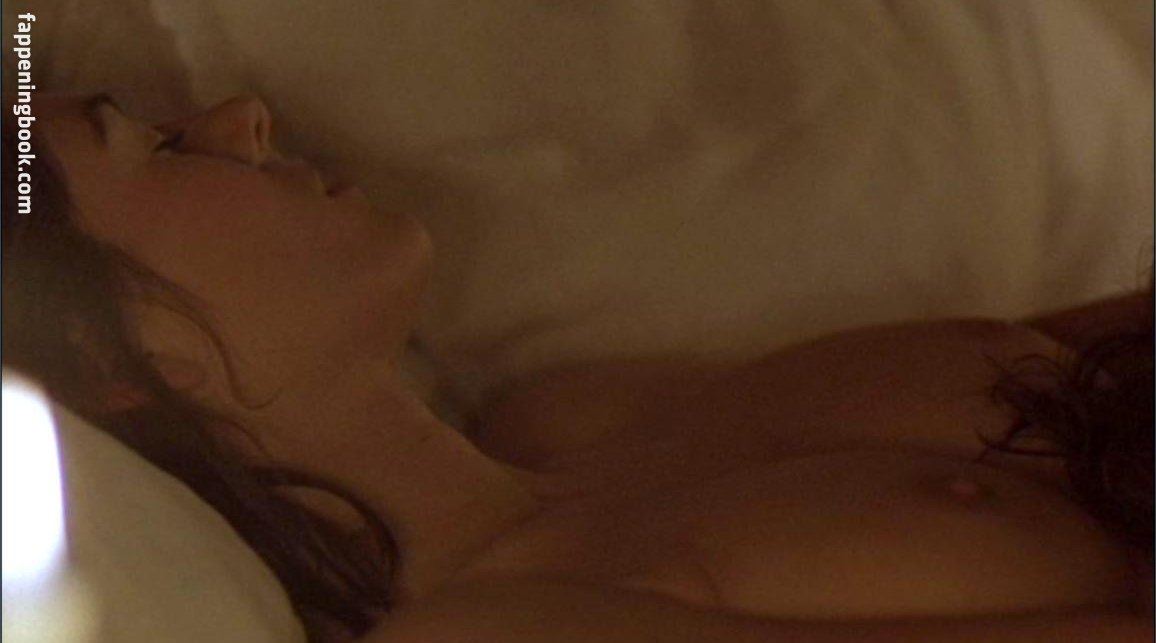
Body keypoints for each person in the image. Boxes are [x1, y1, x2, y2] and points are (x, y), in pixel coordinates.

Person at [3, 94, 1152, 643]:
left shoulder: (579, 413)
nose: (243, 118)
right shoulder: (497, 633)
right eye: (159, 146)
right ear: (103, 353)